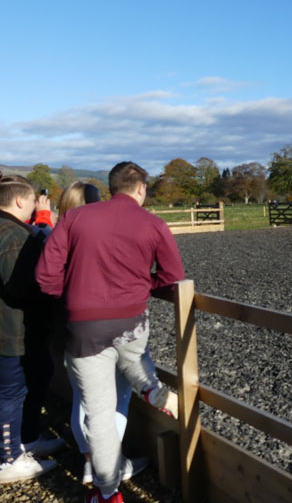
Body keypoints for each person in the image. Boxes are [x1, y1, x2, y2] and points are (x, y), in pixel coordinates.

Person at [36, 162, 185, 503]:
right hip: (131, 320)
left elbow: (45, 275)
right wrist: (144, 284)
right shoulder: (153, 223)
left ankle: (107, 493)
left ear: (112, 187)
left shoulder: (75, 218)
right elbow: (173, 275)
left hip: (84, 327)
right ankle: (152, 389)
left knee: (99, 414)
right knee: (133, 358)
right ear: (141, 189)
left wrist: (72, 296)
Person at [57, 182, 140, 485]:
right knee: (117, 397)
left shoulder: (57, 235)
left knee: (83, 398)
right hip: (106, 326)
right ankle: (110, 464)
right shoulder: (98, 237)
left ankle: (90, 462)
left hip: (70, 328)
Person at [0, 174, 59, 483]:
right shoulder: (13, 236)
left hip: (18, 330)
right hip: (10, 331)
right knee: (11, 394)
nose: (37, 205)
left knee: (36, 379)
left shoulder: (13, 230)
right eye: (34, 200)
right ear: (20, 200)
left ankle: (27, 439)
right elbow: (20, 286)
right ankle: (8, 459)